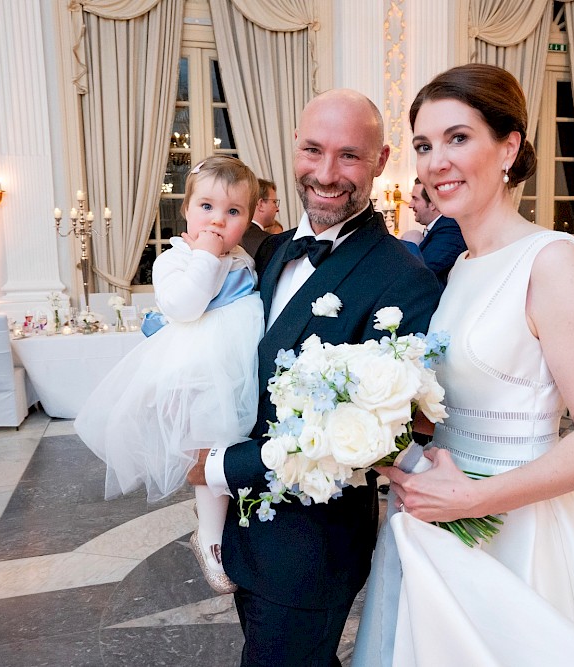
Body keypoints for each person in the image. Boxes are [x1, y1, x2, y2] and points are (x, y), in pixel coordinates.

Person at [355, 64, 574, 666]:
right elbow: (461, 404)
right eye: (425, 145)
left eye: (459, 138)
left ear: (509, 147)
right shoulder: (459, 270)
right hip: (438, 522)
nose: (436, 161)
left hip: (522, 530)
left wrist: (474, 501)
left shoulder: (550, 259)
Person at [187, 89, 441, 667]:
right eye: (313, 150)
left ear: (380, 162)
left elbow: (381, 435)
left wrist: (221, 467)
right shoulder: (272, 251)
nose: (327, 174)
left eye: (349, 156)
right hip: (246, 530)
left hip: (309, 547)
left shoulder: (405, 281)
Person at [74, 156, 265, 595]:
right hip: (202, 367)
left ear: (249, 220)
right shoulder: (176, 259)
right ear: (185, 209)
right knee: (209, 451)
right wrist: (205, 256)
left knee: (235, 448)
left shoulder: (242, 257)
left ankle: (234, 527)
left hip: (240, 366)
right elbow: (184, 306)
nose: (218, 220)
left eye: (233, 213)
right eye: (206, 207)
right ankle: (211, 538)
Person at [410, 177, 466, 285]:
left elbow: (422, 272)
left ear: (432, 204)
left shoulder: (450, 230)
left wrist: (409, 245)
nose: (410, 205)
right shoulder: (437, 229)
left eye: (415, 199)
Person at [241, 178, 279, 256]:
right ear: (261, 204)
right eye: (274, 202)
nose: (277, 209)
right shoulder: (267, 242)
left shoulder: (236, 235)